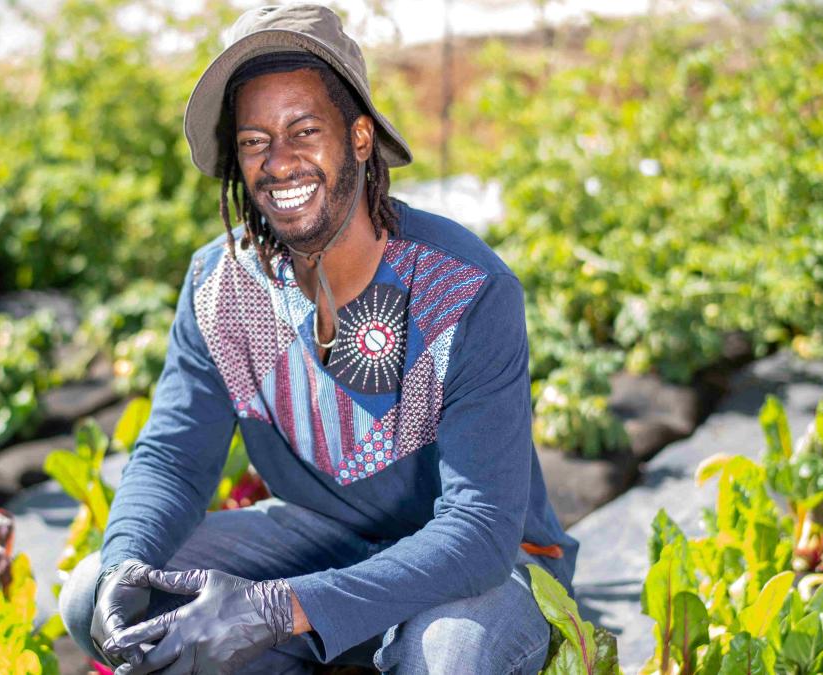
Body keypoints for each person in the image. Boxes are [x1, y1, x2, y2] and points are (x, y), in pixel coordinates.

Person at [59, 4, 579, 673]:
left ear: (360, 138)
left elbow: (477, 531)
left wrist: (279, 608)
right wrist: (127, 558)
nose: (279, 163)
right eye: (254, 141)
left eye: (304, 130)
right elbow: (173, 459)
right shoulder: (223, 289)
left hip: (480, 573)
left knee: (449, 656)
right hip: (325, 544)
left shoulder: (465, 289)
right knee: (102, 593)